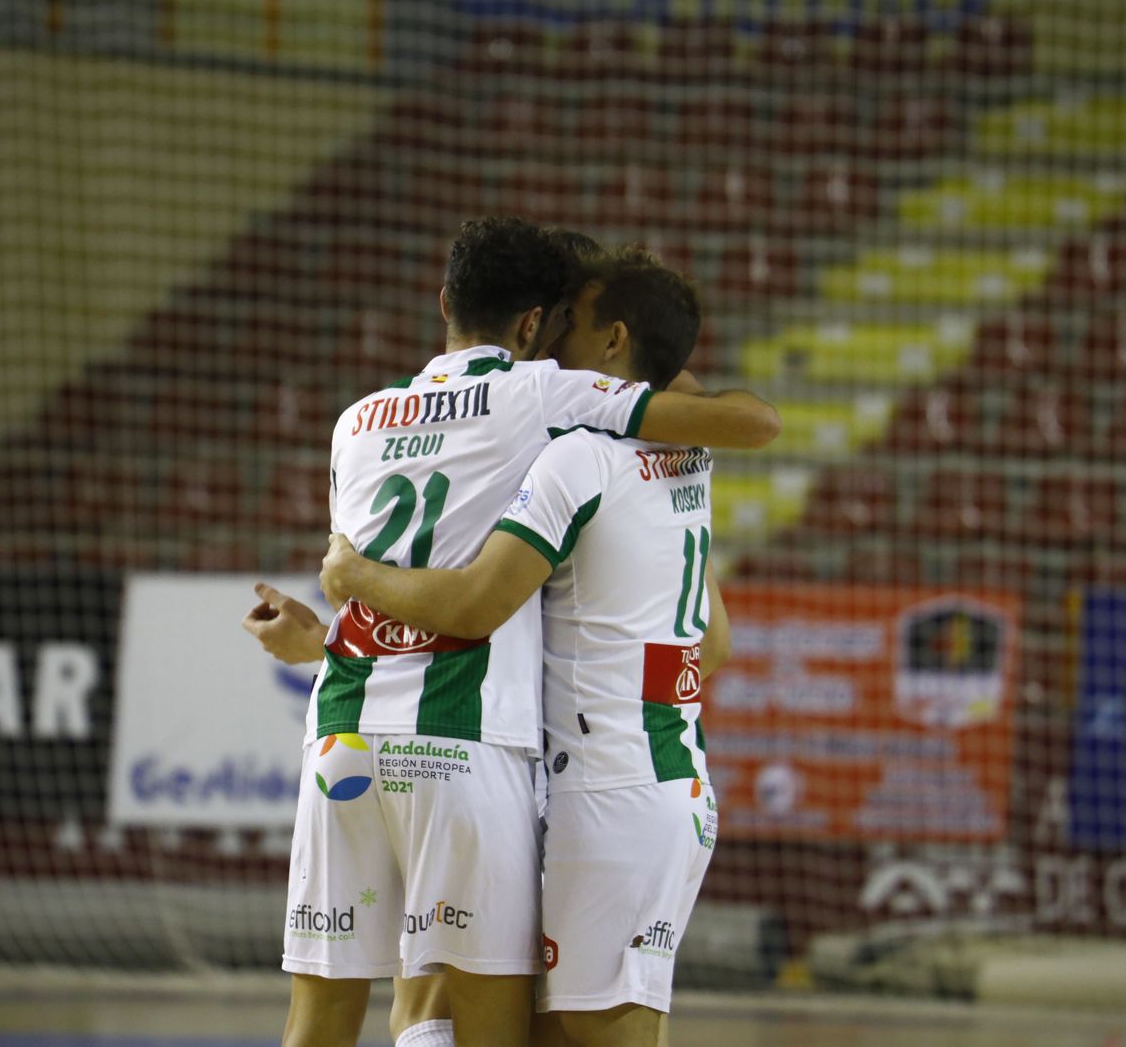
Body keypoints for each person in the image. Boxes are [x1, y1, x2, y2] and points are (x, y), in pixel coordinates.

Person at [246, 217, 779, 1047]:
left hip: (357, 729)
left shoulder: (363, 422)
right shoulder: (629, 441)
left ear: (445, 299)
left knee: (381, 1010)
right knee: (496, 1019)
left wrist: (343, 597)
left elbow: (459, 605)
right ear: (536, 323)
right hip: (530, 755)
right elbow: (708, 643)